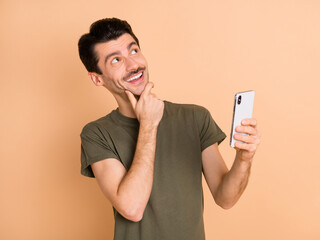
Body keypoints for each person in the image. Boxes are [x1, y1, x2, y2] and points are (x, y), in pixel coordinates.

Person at [78, 18, 261, 240]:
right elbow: (132, 208)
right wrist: (148, 124)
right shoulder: (97, 134)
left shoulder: (195, 117)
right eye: (116, 60)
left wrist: (244, 159)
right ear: (98, 79)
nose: (133, 65)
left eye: (134, 50)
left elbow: (226, 199)